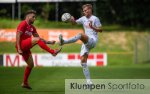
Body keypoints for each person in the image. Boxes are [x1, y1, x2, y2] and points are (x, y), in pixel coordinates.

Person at [16, 10, 61, 89]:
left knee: (31, 65)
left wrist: (49, 42)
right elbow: (18, 35)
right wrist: (19, 48)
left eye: (35, 17)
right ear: (28, 17)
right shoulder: (23, 23)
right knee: (36, 39)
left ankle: (25, 82)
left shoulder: (32, 28)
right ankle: (52, 52)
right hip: (21, 45)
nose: (34, 18)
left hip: (26, 48)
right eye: (33, 17)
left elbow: (39, 39)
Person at [59, 4, 102, 84]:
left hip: (93, 40)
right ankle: (89, 82)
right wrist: (71, 19)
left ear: (90, 10)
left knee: (80, 35)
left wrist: (93, 28)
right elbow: (74, 23)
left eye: (86, 10)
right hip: (86, 42)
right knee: (83, 61)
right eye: (83, 11)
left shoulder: (95, 19)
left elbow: (101, 29)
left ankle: (63, 42)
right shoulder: (83, 18)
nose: (84, 12)